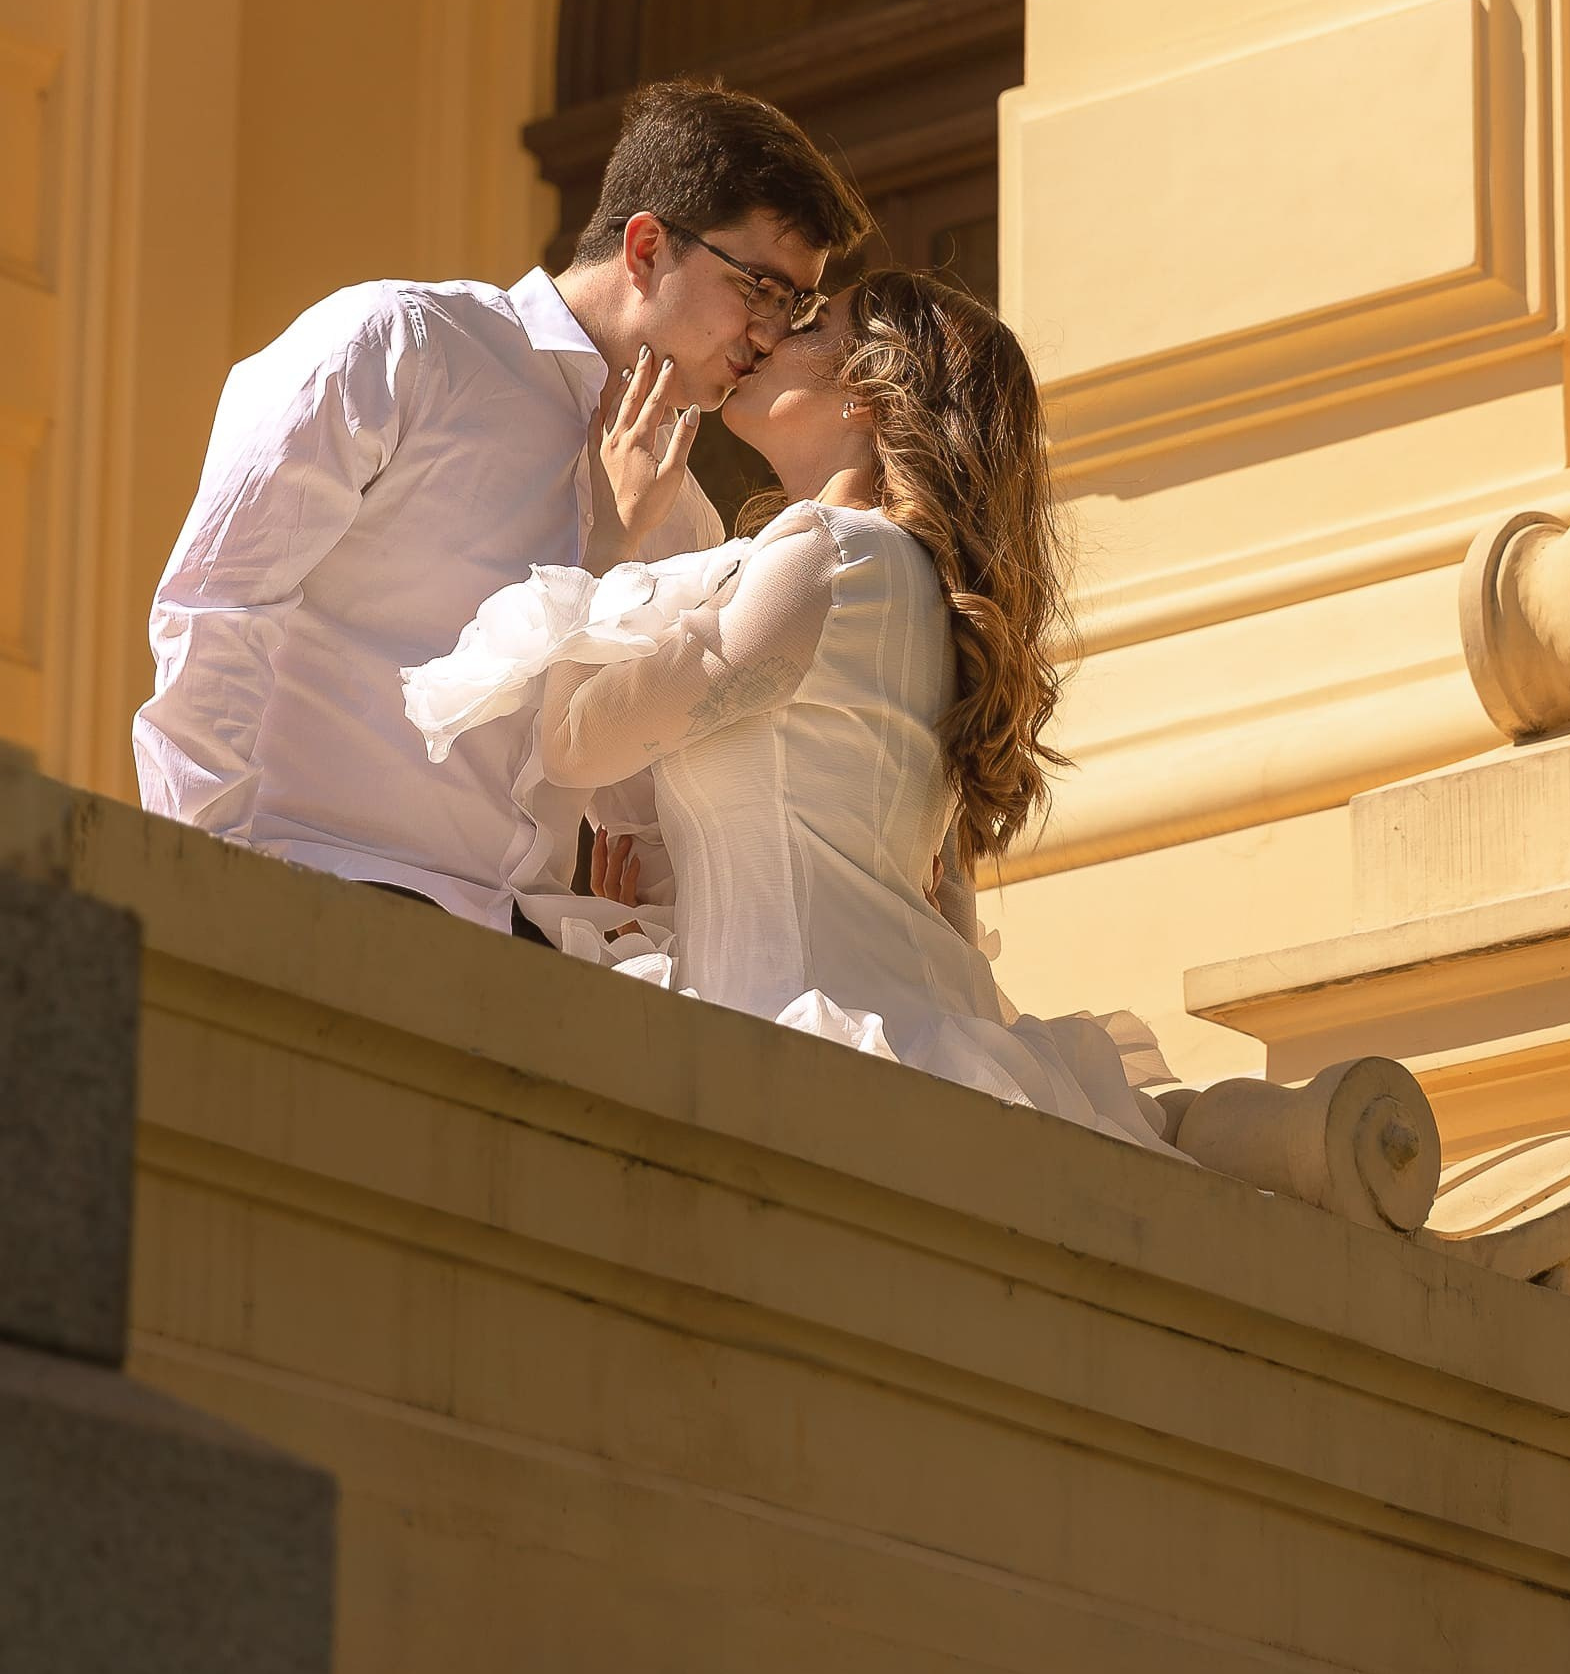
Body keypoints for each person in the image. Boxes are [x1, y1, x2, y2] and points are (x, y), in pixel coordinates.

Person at [402, 266, 1179, 1148]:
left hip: (788, 1047)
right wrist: (665, 907)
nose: (769, 336)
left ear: (868, 398)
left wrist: (614, 535)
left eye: (811, 325)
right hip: (909, 1045)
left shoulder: (823, 557)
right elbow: (913, 893)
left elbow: (576, 745)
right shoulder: (924, 595)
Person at [134, 82, 872, 932]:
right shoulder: (397, 347)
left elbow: (658, 804)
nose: (772, 336)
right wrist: (201, 889)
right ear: (645, 249)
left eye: (799, 307)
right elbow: (219, 605)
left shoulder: (684, 520)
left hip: (536, 965)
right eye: (762, 289)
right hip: (315, 895)